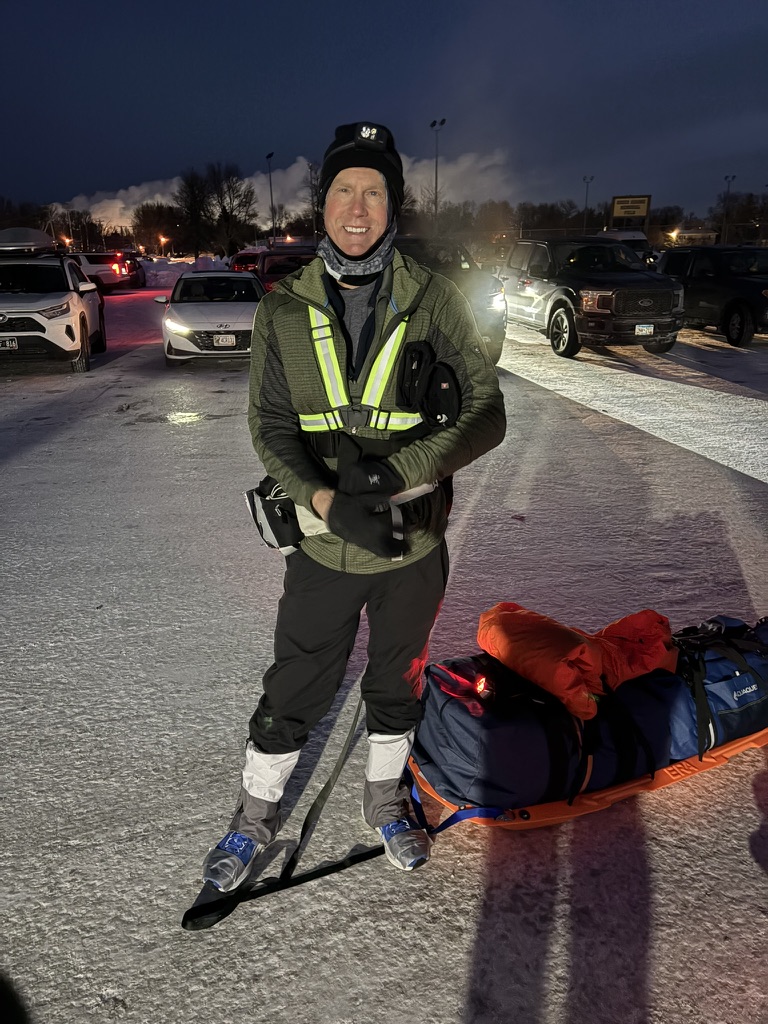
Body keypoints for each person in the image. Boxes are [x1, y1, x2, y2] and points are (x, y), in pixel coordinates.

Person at [203, 122, 505, 889]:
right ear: (322, 205)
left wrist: (397, 471)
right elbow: (268, 426)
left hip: (413, 547)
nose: (359, 207)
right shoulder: (282, 309)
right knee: (295, 686)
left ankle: (383, 797)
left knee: (398, 680)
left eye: (374, 190)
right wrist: (326, 499)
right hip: (325, 547)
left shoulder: (435, 298)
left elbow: (488, 412)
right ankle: (253, 819)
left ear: (394, 204)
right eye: (344, 189)